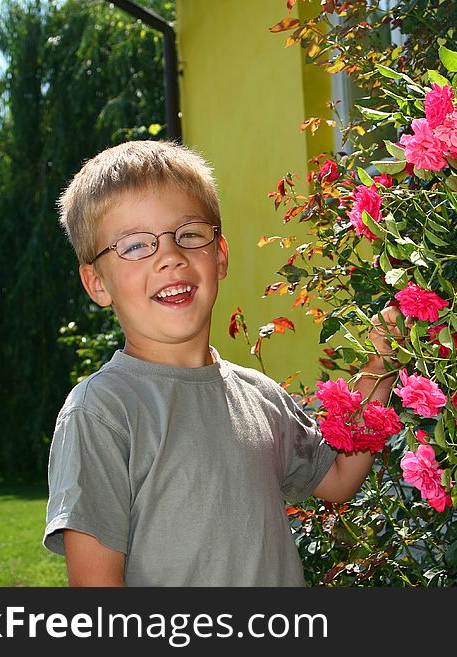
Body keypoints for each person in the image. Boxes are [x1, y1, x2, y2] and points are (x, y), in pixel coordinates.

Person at [43, 140, 402, 586]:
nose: (170, 256)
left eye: (190, 234)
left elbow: (339, 476)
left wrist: (381, 361)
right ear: (97, 283)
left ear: (220, 255)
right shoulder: (102, 413)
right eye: (135, 246)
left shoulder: (261, 397)